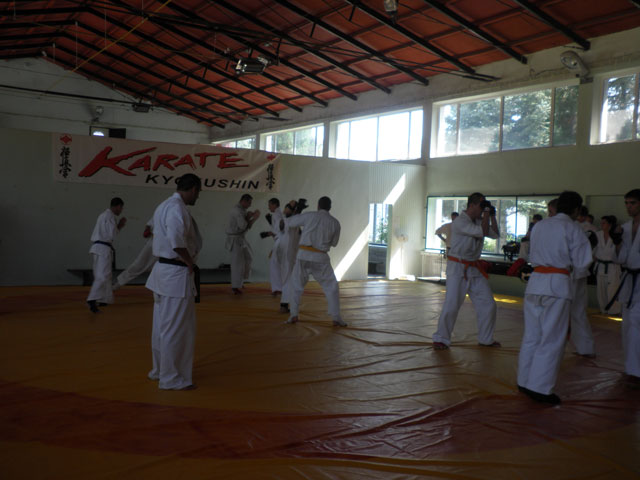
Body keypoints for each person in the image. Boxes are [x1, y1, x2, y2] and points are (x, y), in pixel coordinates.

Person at [517, 191, 593, 404]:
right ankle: (540, 388)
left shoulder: (540, 225)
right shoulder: (573, 228)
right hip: (557, 285)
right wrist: (573, 272)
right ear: (576, 210)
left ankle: (523, 381)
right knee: (552, 337)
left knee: (532, 335)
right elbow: (583, 262)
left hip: (535, 283)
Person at [146, 174, 202, 391]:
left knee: (161, 327)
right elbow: (177, 242)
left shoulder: (163, 205)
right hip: (175, 275)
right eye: (198, 192)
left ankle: (159, 370)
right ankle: (170, 378)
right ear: (193, 189)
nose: (198, 197)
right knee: (176, 329)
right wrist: (189, 262)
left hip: (163, 273)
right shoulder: (177, 208)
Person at [432, 193, 500, 350]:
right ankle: (441, 338)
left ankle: (486, 338)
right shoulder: (460, 222)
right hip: (457, 267)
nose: (482, 210)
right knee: (452, 304)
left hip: (474, 268)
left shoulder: (479, 221)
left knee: (488, 304)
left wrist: (492, 216)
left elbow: (495, 234)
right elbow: (483, 232)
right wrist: (486, 213)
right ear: (472, 205)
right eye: (481, 206)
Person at [285, 196, 345, 327]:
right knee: (331, 286)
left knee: (296, 284)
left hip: (303, 255)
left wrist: (293, 210)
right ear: (330, 207)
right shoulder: (335, 223)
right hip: (320, 258)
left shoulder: (309, 216)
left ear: (318, 206)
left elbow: (290, 222)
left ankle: (293, 314)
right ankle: (336, 317)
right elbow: (334, 243)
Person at [614, 189, 640, 386]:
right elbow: (621, 258)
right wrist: (616, 243)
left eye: (632, 203)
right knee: (627, 326)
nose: (628, 207)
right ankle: (631, 368)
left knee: (636, 324)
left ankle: (636, 371)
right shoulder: (624, 228)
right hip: (629, 279)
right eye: (626, 203)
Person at [87, 197, 127, 313]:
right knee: (102, 275)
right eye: (121, 208)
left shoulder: (103, 215)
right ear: (118, 206)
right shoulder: (109, 216)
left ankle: (104, 299)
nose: (121, 210)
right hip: (103, 248)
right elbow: (112, 235)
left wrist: (118, 226)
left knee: (106, 275)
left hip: (99, 248)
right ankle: (92, 299)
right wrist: (120, 225)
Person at [225, 194, 260, 294]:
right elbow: (244, 226)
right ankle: (235, 286)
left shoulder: (241, 210)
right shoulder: (237, 211)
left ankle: (240, 281)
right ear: (244, 201)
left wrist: (249, 216)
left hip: (240, 238)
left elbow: (246, 225)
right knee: (237, 263)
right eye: (249, 203)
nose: (250, 205)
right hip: (235, 239)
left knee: (249, 257)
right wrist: (254, 218)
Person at [113, 220, 156, 290]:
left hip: (168, 246)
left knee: (164, 267)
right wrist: (147, 230)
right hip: (154, 243)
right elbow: (148, 225)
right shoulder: (159, 213)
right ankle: (119, 283)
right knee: (138, 264)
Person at [593, 215, 621, 315]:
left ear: (610, 225)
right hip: (600, 265)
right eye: (601, 223)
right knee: (601, 290)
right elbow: (593, 250)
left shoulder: (616, 236)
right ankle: (603, 310)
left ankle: (614, 311)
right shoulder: (597, 235)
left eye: (604, 223)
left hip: (612, 266)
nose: (601, 225)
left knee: (612, 289)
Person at [279, 200, 303, 313]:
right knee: (289, 277)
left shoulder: (294, 222)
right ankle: (284, 304)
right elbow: (285, 222)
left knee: (291, 277)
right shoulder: (287, 221)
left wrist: (298, 210)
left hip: (292, 254)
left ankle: (287, 303)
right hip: (288, 254)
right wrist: (296, 209)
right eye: (288, 206)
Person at [262, 198, 285, 296]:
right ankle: (280, 287)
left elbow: (279, 228)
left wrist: (268, 233)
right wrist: (270, 221)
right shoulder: (279, 213)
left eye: (270, 205)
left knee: (274, 264)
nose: (268, 207)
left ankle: (277, 288)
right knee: (279, 264)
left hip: (280, 241)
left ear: (274, 204)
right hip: (282, 241)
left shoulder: (276, 214)